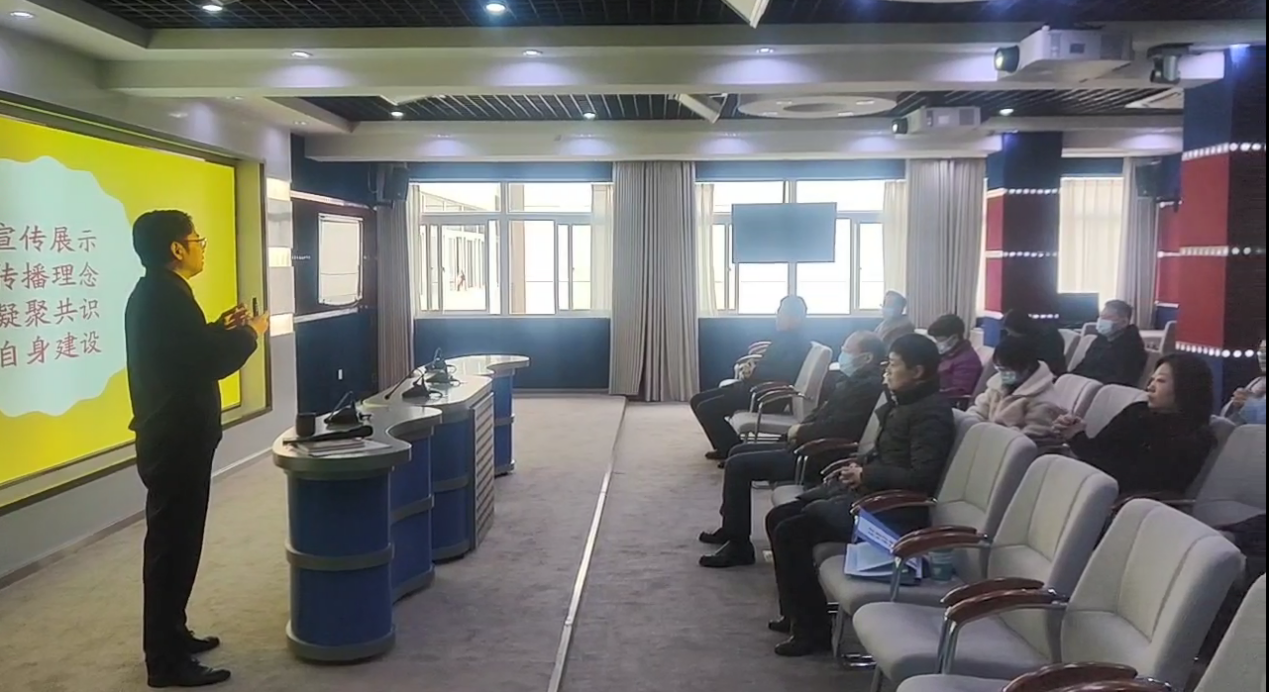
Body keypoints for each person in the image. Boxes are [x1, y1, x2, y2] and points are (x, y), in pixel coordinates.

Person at [125, 210, 270, 688]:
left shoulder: (159, 293)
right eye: (196, 240)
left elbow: (185, 351)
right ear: (176, 249)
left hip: (176, 437)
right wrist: (250, 333)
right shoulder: (164, 298)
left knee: (179, 545)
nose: (201, 247)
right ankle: (165, 662)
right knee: (172, 550)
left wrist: (220, 326)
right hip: (176, 440)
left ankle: (174, 633)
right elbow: (206, 362)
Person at [762, 334, 955, 656]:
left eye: (894, 365)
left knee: (790, 531)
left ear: (918, 371)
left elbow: (922, 478)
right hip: (872, 498)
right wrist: (859, 466)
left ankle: (812, 631)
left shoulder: (930, 413)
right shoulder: (904, 403)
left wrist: (866, 475)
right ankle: (796, 614)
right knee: (779, 517)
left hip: (892, 513)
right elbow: (886, 454)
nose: (886, 371)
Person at [697, 332, 888, 569]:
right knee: (737, 451)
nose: (843, 354)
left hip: (821, 455)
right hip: (808, 444)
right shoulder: (852, 381)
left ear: (867, 357)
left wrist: (801, 431)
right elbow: (823, 415)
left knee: (738, 465)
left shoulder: (867, 388)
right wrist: (803, 428)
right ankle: (731, 529)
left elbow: (841, 428)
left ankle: (739, 547)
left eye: (848, 350)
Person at [1053, 352, 1216, 498]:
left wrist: (1078, 440)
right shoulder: (1137, 411)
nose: (1150, 387)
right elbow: (1099, 450)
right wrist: (1075, 434)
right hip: (1093, 486)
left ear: (1186, 387)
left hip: (1120, 504)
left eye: (1161, 381)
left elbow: (1132, 479)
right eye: (1152, 380)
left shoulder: (1193, 437)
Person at [690, 296, 811, 460]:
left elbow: (784, 375)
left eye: (781, 312)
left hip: (765, 396)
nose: (777, 315)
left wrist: (753, 371)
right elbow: (772, 364)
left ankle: (732, 450)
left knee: (707, 408)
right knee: (697, 400)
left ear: (796, 318)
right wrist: (754, 366)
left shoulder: (798, 343)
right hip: (752, 389)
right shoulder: (784, 338)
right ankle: (724, 446)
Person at [969, 336, 1067, 440]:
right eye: (999, 369)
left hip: (1009, 445)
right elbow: (979, 410)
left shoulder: (1043, 400)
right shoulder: (998, 384)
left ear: (1027, 368)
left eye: (1006, 370)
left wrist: (992, 432)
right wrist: (969, 424)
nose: (1002, 374)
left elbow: (1032, 435)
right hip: (987, 439)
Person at [1071, 300, 1148, 387]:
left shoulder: (1132, 348)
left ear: (1124, 322)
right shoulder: (1100, 340)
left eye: (1107, 317)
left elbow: (1120, 380)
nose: (1101, 321)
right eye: (1101, 317)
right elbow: (1083, 366)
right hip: (1085, 385)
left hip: (1104, 390)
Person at [927, 313, 983, 400]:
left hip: (946, 401)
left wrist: (928, 394)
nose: (937, 343)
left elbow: (960, 392)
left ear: (954, 338)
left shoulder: (967, 361)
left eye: (940, 340)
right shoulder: (947, 353)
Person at [1002, 309, 1068, 377]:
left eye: (1011, 332)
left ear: (1019, 329)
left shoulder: (1046, 340)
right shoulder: (1037, 332)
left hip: (1051, 376)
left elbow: (1047, 366)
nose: (1009, 335)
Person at [1222, 337, 1267, 426]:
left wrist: (1248, 405)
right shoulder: (1257, 382)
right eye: (1261, 351)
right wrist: (1236, 403)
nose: (1262, 356)